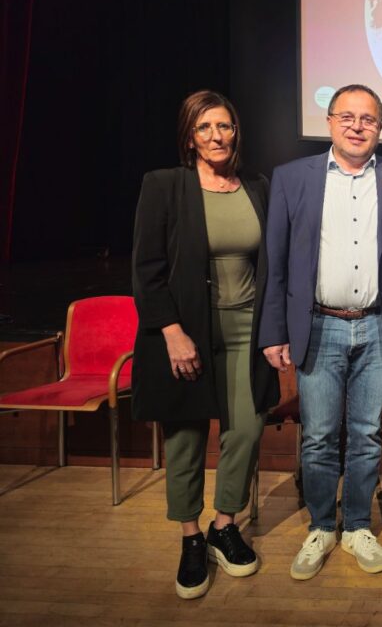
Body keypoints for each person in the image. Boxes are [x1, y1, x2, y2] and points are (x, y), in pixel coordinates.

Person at [259, 84, 382, 581]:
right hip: (318, 326)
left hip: (377, 325)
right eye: (346, 116)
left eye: (367, 119)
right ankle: (322, 526)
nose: (356, 126)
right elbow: (276, 261)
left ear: (380, 127)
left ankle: (357, 526)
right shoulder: (292, 177)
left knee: (367, 435)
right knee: (319, 438)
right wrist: (274, 330)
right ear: (329, 121)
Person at [132, 90, 280, 600]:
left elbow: (270, 263)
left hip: (247, 328)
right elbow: (147, 269)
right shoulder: (165, 186)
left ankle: (224, 525)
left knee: (247, 427)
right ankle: (190, 537)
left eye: (225, 126)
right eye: (205, 127)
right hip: (188, 329)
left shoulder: (257, 186)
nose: (217, 136)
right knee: (186, 434)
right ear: (189, 136)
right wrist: (171, 332)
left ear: (236, 132)